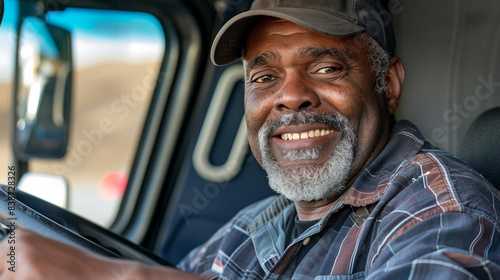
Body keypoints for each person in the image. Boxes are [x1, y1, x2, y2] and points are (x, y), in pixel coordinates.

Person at [1, 0, 500, 279]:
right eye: (264, 79)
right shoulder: (259, 225)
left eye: (325, 68)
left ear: (387, 86)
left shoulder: (441, 209)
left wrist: (113, 279)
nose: (291, 98)